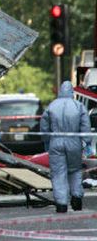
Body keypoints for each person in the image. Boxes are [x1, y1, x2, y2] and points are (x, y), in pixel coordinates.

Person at [40, 81, 91, 213]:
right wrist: (87, 142)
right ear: (71, 92)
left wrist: (46, 141)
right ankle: (76, 197)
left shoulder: (51, 106)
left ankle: (61, 203)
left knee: (58, 173)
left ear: (60, 91)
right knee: (75, 170)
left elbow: (44, 127)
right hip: (74, 141)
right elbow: (85, 126)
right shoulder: (78, 106)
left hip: (56, 142)